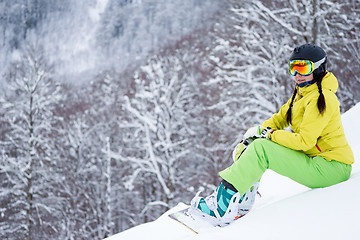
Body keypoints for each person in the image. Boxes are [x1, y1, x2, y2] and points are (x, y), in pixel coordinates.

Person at [189, 43, 354, 226]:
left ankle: (220, 207)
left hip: (332, 168)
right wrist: (255, 133)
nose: (297, 74)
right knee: (252, 146)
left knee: (262, 149)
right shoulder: (301, 94)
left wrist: (268, 135)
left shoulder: (321, 98)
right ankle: (242, 200)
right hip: (318, 161)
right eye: (293, 67)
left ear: (318, 69)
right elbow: (278, 120)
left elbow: (304, 142)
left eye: (303, 67)